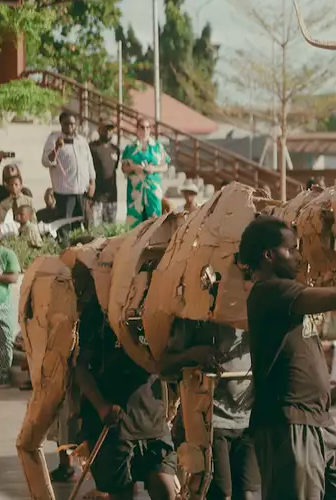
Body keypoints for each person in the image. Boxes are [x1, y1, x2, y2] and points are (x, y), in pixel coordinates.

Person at [239, 216, 336, 500]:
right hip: (289, 425)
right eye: (291, 249)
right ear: (269, 255)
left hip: (322, 422)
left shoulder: (289, 298)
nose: (298, 256)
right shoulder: (270, 291)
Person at [75, 276, 178, 499]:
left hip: (152, 419)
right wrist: (101, 406)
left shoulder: (156, 305)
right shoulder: (98, 311)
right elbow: (81, 367)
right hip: (114, 423)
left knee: (165, 490)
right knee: (122, 494)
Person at [160, 320, 257, 500]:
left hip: (249, 419)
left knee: (248, 492)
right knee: (221, 492)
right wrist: (193, 354)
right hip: (211, 421)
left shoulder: (253, 313)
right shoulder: (195, 316)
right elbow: (164, 366)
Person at [41, 111, 96, 224]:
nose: (70, 126)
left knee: (81, 224)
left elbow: (89, 162)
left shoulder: (81, 140)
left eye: (72, 124)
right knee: (64, 224)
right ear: (61, 124)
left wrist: (92, 182)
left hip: (82, 191)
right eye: (66, 124)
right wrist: (56, 147)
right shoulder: (53, 139)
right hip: (64, 193)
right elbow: (46, 162)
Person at [121, 118, 171, 226]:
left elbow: (165, 166)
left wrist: (154, 169)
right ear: (137, 129)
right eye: (142, 127)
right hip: (135, 192)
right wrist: (134, 168)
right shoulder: (130, 148)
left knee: (155, 223)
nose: (145, 130)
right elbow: (124, 168)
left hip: (153, 190)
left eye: (148, 127)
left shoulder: (157, 147)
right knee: (134, 225)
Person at [0, 227, 20, 387]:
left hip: (2, 304)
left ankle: (3, 374)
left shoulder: (7, 254)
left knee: (5, 339)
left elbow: (13, 277)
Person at [90, 120, 120, 225]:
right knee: (96, 228)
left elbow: (114, 168)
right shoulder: (92, 147)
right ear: (99, 130)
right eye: (105, 129)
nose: (108, 132)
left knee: (111, 228)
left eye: (110, 129)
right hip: (96, 196)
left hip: (111, 196)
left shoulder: (115, 149)